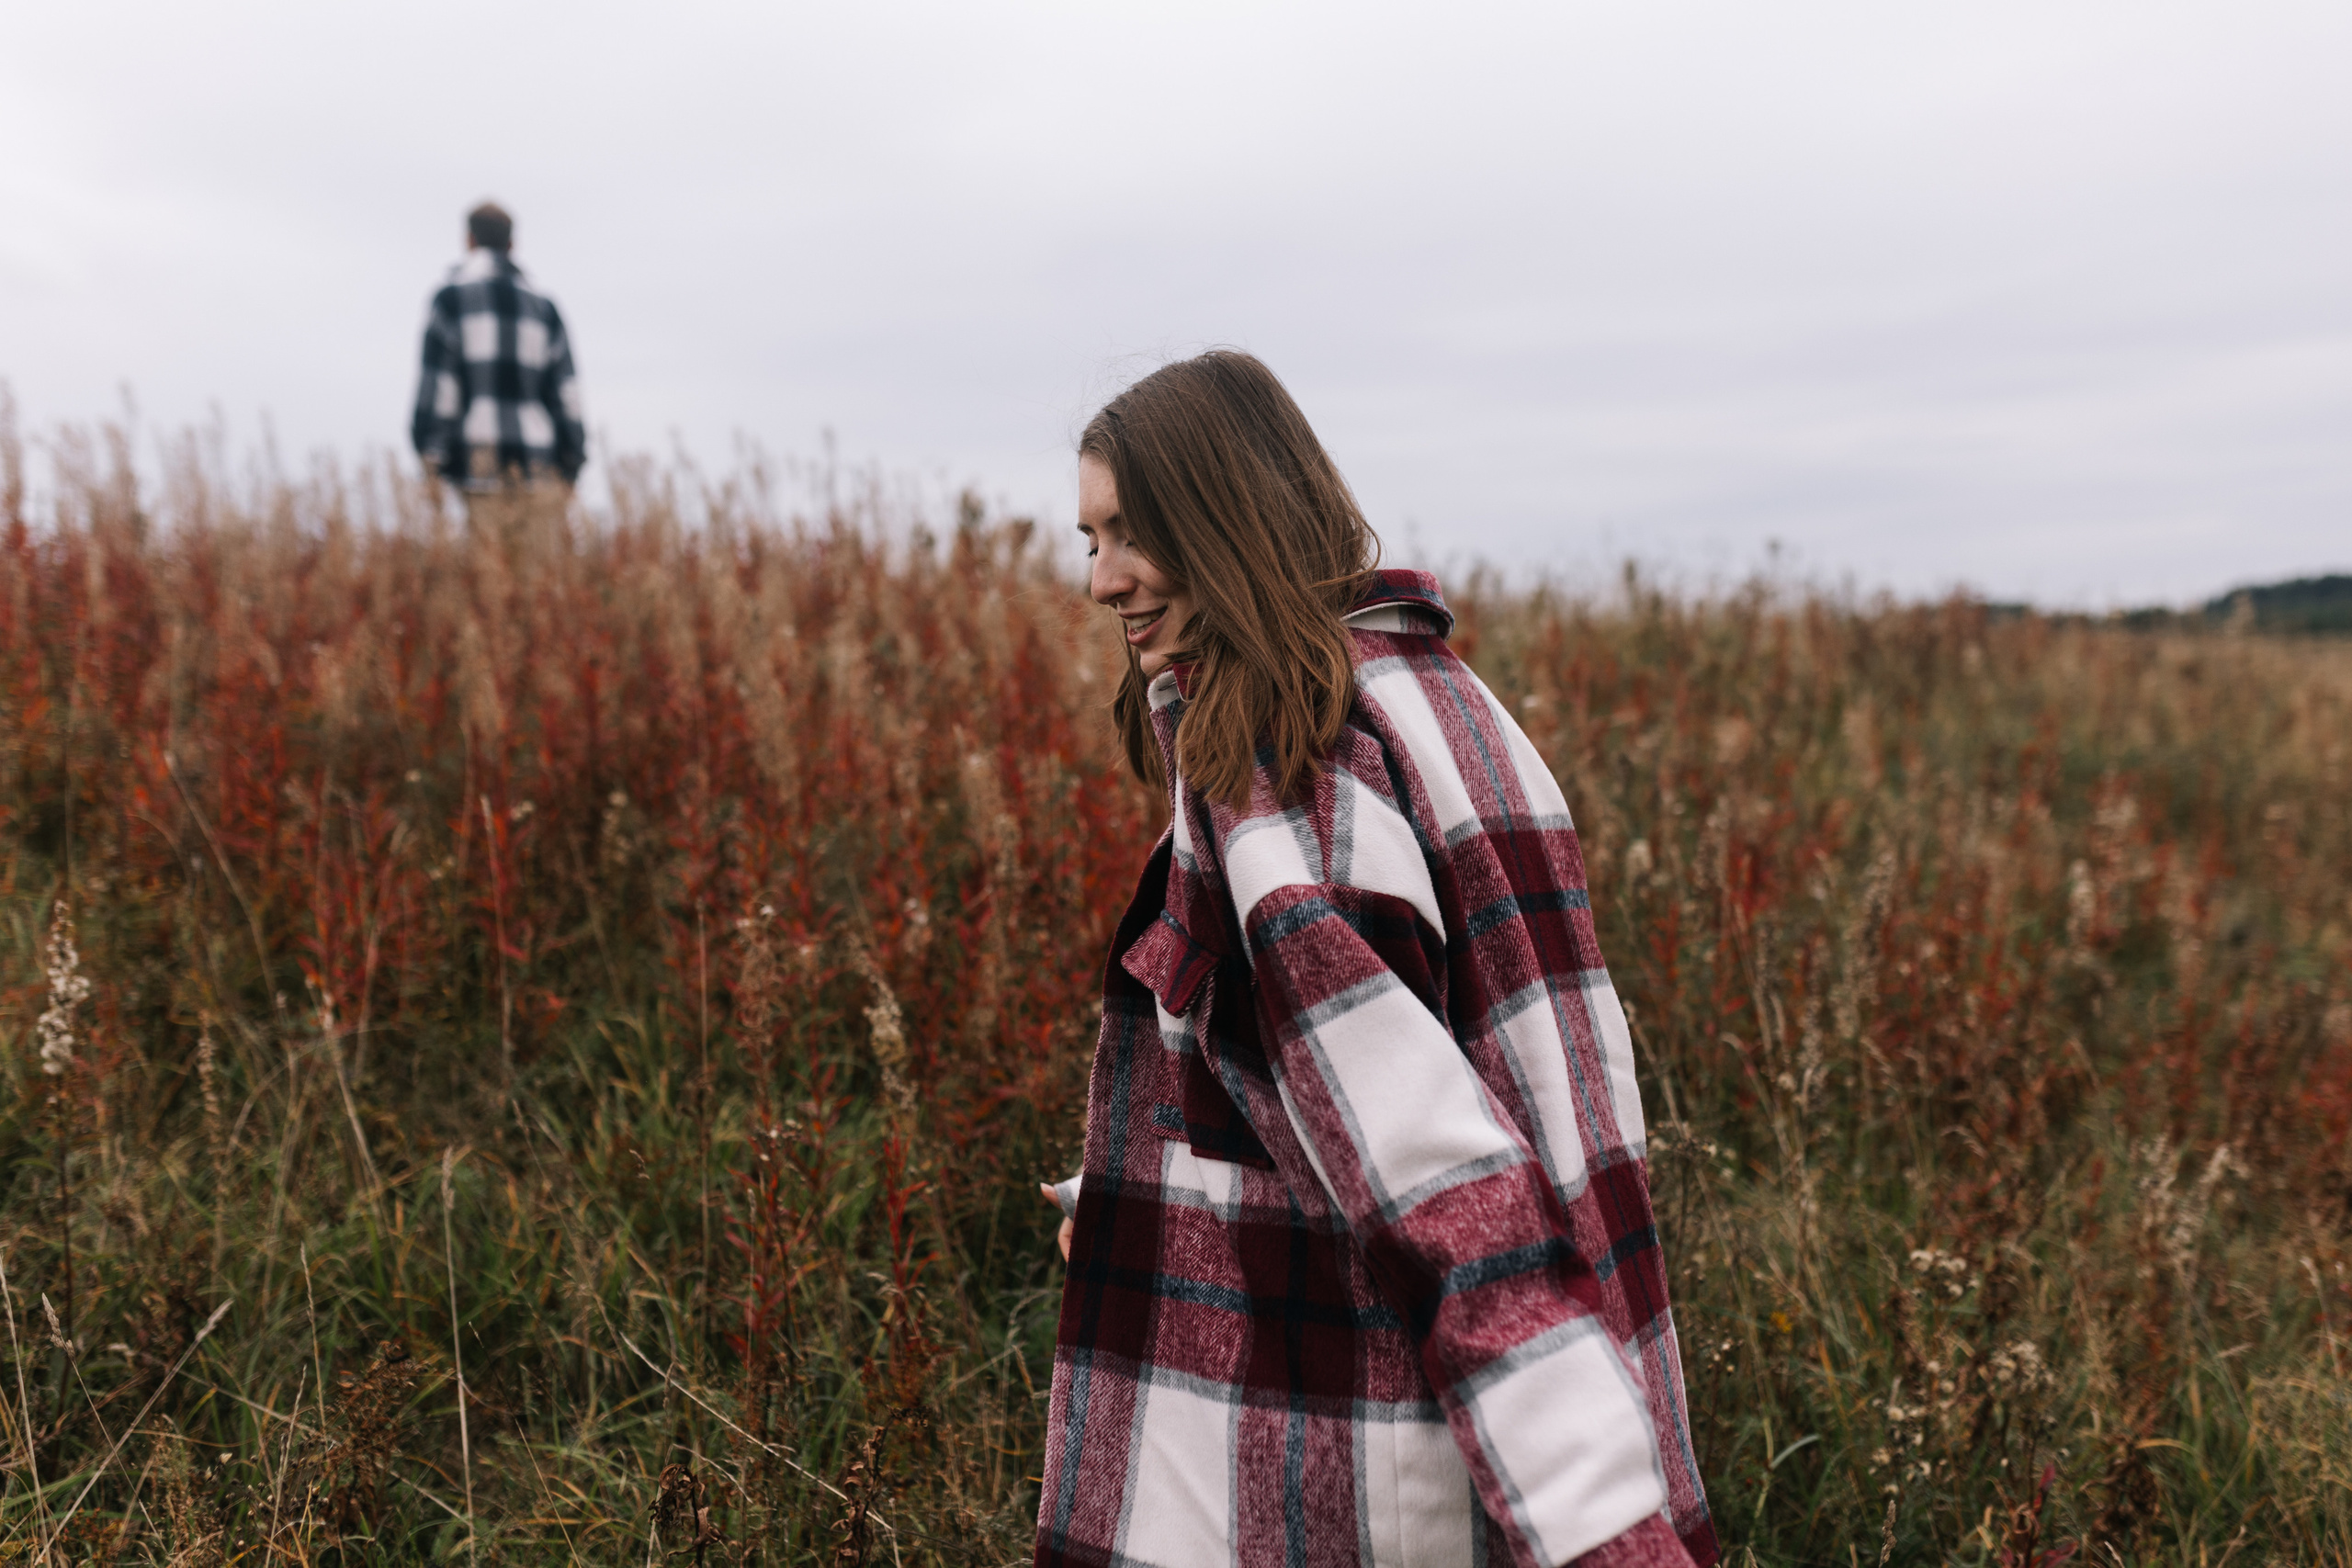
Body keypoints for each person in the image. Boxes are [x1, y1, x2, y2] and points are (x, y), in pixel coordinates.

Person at [1035, 351, 1716, 1568]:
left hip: (1354, 1468)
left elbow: (1433, 1169)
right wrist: (1141, 1206)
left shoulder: (1287, 771)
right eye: (1090, 538)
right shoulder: (1438, 699)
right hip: (1509, 1405)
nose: (1099, 580)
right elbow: (1408, 1073)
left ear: (1222, 515)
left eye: (1130, 532)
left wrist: (1612, 1534)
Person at [409, 201, 586, 523]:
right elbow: (567, 397)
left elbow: (438, 393)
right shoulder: (544, 308)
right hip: (539, 472)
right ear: (511, 245)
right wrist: (571, 466)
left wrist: (432, 464)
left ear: (469, 240)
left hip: (479, 471)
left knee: (487, 570)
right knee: (540, 573)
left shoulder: (451, 301)